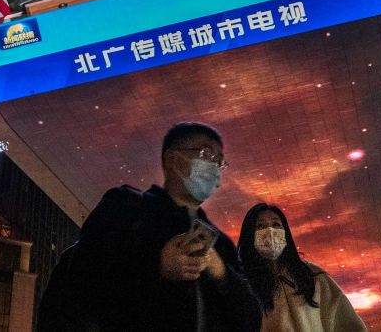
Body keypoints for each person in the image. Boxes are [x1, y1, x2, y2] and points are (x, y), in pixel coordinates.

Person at [40, 122, 262, 331]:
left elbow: (250, 319)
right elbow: (83, 279)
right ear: (172, 160)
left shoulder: (221, 244)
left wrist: (222, 273)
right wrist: (158, 267)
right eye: (206, 154)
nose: (214, 166)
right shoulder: (126, 207)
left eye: (220, 161)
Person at [238, 204, 366, 332]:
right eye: (260, 226)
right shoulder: (241, 283)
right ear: (249, 234)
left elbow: (350, 325)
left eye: (276, 224)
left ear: (286, 232)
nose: (270, 231)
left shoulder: (313, 276)